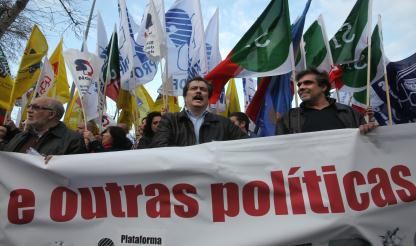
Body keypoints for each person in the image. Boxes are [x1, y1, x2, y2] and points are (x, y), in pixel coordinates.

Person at [151, 77, 247, 147]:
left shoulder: (224, 123)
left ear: (208, 98)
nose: (198, 91)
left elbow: (246, 145)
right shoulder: (170, 121)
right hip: (181, 173)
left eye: (203, 89)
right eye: (194, 88)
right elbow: (160, 147)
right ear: (185, 97)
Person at [276, 68, 377, 135]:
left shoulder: (349, 113)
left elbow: (368, 142)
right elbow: (279, 148)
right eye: (299, 85)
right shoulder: (289, 117)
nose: (301, 87)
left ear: (323, 87)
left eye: (308, 83)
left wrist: (369, 128)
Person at [4, 97, 87, 155]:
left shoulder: (73, 140)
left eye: (35, 107)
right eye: (29, 106)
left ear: (51, 114)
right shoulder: (21, 135)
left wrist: (54, 164)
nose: (29, 110)